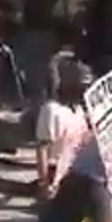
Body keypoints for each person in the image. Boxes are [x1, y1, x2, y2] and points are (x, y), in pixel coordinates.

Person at [34, 58, 93, 194]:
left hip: (79, 173)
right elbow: (42, 149)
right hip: (58, 178)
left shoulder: (78, 109)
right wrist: (44, 183)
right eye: (81, 88)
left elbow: (83, 140)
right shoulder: (51, 110)